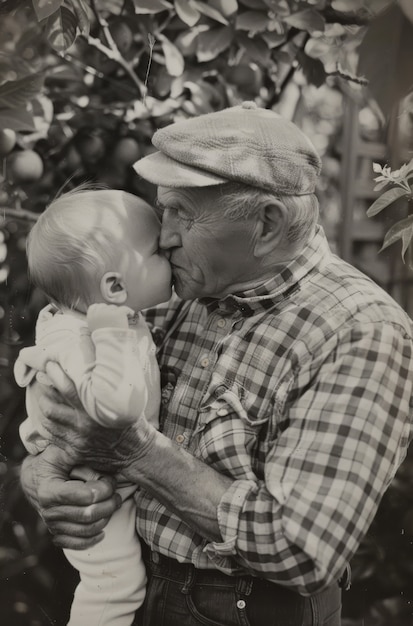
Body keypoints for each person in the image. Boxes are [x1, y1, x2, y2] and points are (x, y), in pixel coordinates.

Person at [18, 102, 413, 626]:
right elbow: (70, 401)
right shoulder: (176, 289)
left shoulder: (359, 331)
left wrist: (138, 455)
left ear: (266, 224)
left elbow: (302, 548)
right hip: (140, 591)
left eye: (183, 211)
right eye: (164, 210)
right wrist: (44, 472)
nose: (164, 234)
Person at [14, 186, 172, 626]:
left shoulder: (115, 314)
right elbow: (116, 409)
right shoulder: (83, 338)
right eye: (159, 251)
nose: (172, 252)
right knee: (115, 586)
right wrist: (113, 336)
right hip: (96, 489)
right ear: (115, 286)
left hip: (114, 481)